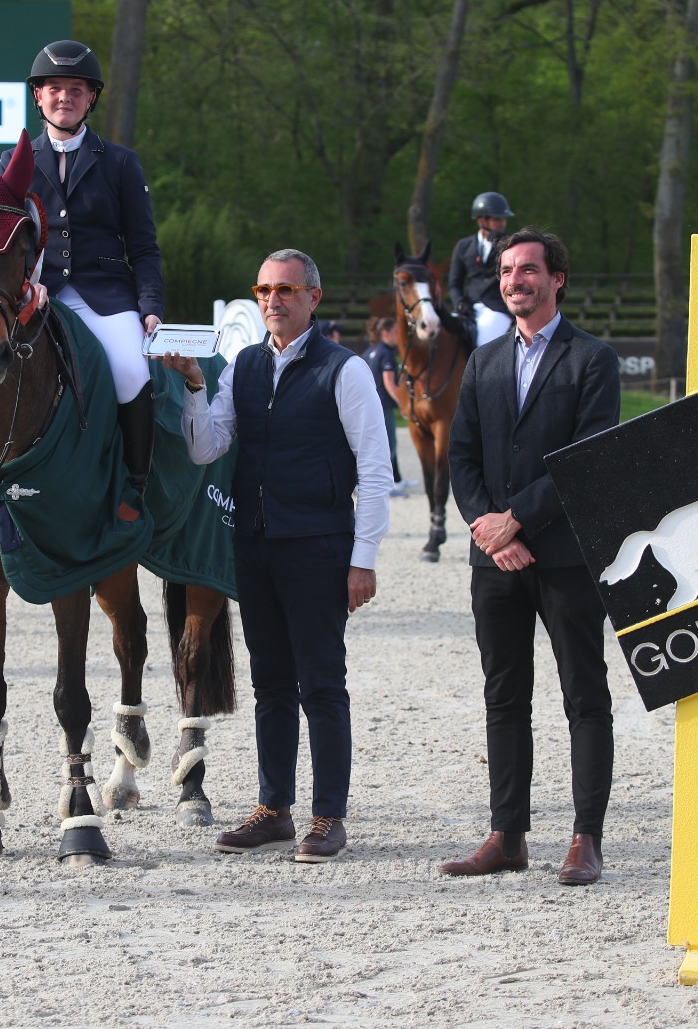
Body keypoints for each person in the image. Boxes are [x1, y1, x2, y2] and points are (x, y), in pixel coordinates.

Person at [162, 248, 392, 864]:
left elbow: (375, 470)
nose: (272, 299)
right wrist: (193, 385)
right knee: (269, 683)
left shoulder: (345, 370)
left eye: (286, 289)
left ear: (313, 297)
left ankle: (329, 816)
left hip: (318, 545)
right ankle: (274, 809)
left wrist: (363, 558)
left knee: (322, 683)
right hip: (255, 543)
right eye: (264, 289)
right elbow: (207, 448)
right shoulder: (244, 365)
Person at [440, 228, 621, 886]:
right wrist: (490, 531)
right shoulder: (484, 361)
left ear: (556, 279)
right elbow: (461, 457)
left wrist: (516, 518)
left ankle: (585, 838)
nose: (514, 280)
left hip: (567, 558)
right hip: (495, 562)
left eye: (527, 270)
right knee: (504, 697)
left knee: (584, 696)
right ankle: (506, 835)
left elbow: (590, 457)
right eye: (507, 271)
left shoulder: (592, 359)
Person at [0, 40, 162, 492]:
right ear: (38, 96)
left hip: (105, 296)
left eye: (76, 89)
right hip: (36, 295)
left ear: (91, 97)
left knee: (130, 373)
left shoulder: (121, 163)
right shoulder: (13, 163)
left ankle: (136, 484)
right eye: (54, 88)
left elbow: (144, 248)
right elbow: (1, 245)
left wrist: (150, 306)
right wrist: (24, 285)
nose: (64, 97)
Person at [448, 191, 516, 356]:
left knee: (482, 346)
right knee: (444, 337)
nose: (502, 223)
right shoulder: (463, 246)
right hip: (469, 307)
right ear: (481, 220)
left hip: (498, 307)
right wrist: (459, 302)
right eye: (497, 219)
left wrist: (499, 244)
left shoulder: (510, 245)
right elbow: (454, 283)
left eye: (503, 219)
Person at [361, 316, 405, 493]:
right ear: (386, 332)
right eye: (396, 331)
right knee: (388, 447)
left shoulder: (369, 352)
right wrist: (403, 403)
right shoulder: (387, 353)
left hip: (368, 406)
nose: (398, 335)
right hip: (383, 407)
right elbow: (389, 383)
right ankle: (385, 486)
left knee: (371, 448)